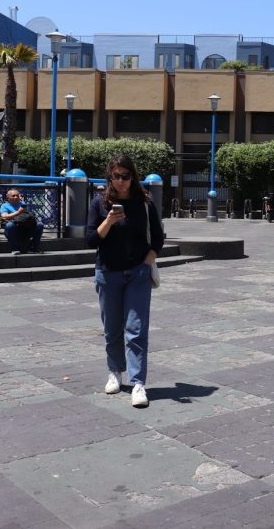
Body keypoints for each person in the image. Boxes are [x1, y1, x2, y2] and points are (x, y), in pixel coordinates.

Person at [86, 155, 163, 408]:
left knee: (136, 329)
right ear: (110, 177)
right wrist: (108, 220)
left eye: (126, 176)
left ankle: (138, 382)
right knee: (112, 329)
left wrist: (148, 260)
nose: (121, 181)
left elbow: (158, 237)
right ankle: (115, 372)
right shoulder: (100, 202)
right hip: (108, 273)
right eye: (116, 176)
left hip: (138, 273)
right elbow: (90, 240)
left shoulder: (144, 203)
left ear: (133, 177)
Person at [0, 189, 44, 254]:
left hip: (25, 228)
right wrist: (18, 212)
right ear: (8, 197)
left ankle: (34, 247)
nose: (16, 197)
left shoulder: (22, 204)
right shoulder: (4, 206)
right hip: (14, 230)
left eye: (17, 196)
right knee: (9, 225)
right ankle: (15, 249)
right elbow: (4, 216)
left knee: (40, 225)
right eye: (13, 196)